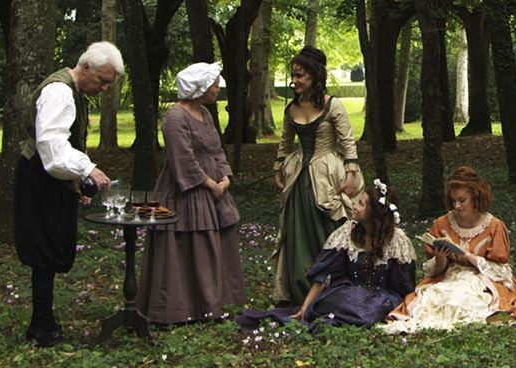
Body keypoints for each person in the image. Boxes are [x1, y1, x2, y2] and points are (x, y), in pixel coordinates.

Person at [14, 41, 123, 347]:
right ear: (86, 67)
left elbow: (63, 147)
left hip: (48, 177)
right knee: (44, 251)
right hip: (39, 177)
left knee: (49, 250)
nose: (103, 89)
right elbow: (52, 148)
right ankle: (44, 327)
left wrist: (75, 184)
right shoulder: (60, 92)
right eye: (102, 81)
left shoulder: (72, 92)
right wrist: (87, 169)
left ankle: (40, 322)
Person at [383, 166, 516, 333]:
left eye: (462, 200)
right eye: (454, 200)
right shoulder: (442, 223)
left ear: (476, 198)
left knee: (464, 300)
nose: (457, 206)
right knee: (433, 299)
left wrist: (468, 256)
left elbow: (500, 270)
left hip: (482, 280)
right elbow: (433, 271)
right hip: (448, 277)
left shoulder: (494, 226)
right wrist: (441, 258)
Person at [137, 62, 246, 323]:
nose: (217, 89)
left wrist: (225, 178)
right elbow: (182, 160)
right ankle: (180, 308)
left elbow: (216, 150)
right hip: (185, 191)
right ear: (199, 88)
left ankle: (214, 304)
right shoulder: (175, 118)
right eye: (214, 85)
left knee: (213, 245)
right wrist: (209, 183)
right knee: (187, 247)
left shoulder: (206, 115)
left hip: (214, 188)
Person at [237, 180, 416, 330]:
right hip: (348, 293)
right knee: (340, 301)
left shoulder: (397, 242)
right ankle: (349, 316)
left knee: (373, 309)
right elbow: (322, 275)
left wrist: (405, 311)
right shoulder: (347, 234)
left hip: (381, 298)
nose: (354, 205)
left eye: (361, 203)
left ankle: (357, 317)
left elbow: (405, 286)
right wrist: (305, 308)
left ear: (375, 214)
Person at [271, 46, 364, 305]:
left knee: (331, 228)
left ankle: (337, 288)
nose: (295, 80)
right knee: (297, 232)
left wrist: (350, 173)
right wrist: (278, 168)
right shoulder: (291, 109)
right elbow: (285, 142)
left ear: (314, 75)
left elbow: (347, 142)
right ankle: (301, 289)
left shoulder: (333, 105)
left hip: (327, 174)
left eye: (300, 75)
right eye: (293, 75)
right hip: (300, 178)